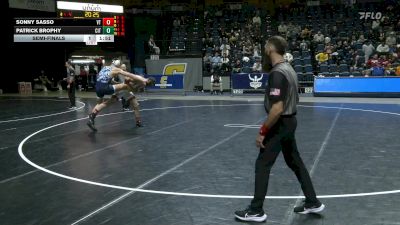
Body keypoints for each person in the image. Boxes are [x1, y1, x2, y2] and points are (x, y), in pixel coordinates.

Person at [235, 36, 324, 222]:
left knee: (262, 164)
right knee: (295, 162)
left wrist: (262, 131)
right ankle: (312, 201)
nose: (265, 49)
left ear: (271, 49)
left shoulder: (277, 73)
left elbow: (277, 108)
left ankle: (256, 210)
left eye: (266, 45)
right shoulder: (289, 69)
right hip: (290, 122)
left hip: (280, 123)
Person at [86, 59, 155, 132]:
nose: (123, 68)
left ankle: (138, 122)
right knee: (107, 102)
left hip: (104, 87)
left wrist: (134, 88)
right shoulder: (120, 71)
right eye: (122, 67)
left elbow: (108, 79)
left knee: (135, 105)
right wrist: (137, 84)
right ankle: (92, 117)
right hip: (122, 89)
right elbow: (128, 79)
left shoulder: (108, 69)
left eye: (124, 67)